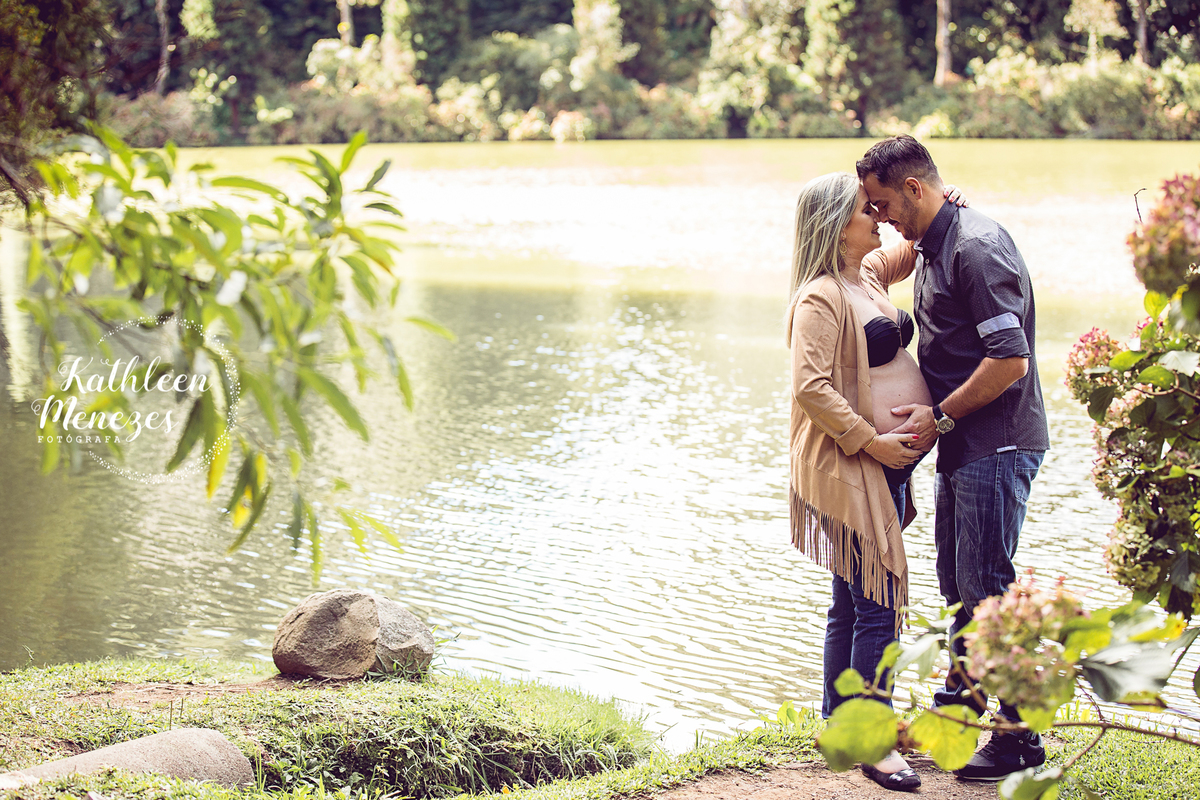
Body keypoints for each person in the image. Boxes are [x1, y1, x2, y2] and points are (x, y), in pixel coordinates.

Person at [856, 135, 1050, 782]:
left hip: (997, 440)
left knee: (987, 588)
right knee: (959, 586)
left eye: (884, 204)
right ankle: (960, 714)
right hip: (964, 443)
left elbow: (1010, 360)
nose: (880, 217)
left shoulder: (975, 248)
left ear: (914, 189)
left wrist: (939, 416)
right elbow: (879, 253)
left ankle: (1020, 738)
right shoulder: (935, 241)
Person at [787, 172, 966, 792]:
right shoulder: (819, 297)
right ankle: (871, 739)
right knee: (878, 601)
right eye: (868, 210)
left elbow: (909, 247)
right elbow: (811, 387)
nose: (879, 218)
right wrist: (873, 441)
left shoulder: (863, 275)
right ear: (839, 225)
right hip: (853, 466)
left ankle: (842, 725)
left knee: (852, 599)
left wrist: (940, 204)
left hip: (881, 467)